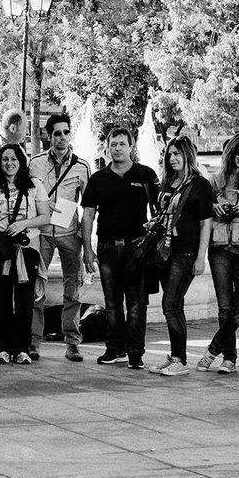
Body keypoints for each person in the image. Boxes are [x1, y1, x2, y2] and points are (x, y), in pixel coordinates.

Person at [82, 128, 159, 370]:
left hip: (136, 249)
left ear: (131, 146)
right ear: (107, 147)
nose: (117, 148)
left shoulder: (145, 175)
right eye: (113, 144)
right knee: (112, 303)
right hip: (106, 249)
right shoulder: (98, 179)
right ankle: (115, 348)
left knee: (137, 304)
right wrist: (87, 249)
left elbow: (161, 211)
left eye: (122, 144)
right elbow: (88, 216)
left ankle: (135, 352)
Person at [144, 136, 213, 376]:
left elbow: (206, 223)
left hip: (185, 251)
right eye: (169, 154)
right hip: (164, 250)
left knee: (170, 304)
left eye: (177, 154)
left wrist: (200, 257)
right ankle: (175, 356)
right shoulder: (169, 181)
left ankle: (180, 360)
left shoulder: (200, 185)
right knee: (175, 304)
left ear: (187, 155)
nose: (172, 158)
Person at [195, 133, 239, 375]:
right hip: (220, 250)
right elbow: (200, 210)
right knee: (224, 307)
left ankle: (212, 350)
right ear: (230, 152)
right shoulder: (214, 180)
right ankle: (229, 358)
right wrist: (215, 207)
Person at [29, 113, 90, 362]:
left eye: (66, 132)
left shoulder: (81, 166)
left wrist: (86, 242)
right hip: (42, 234)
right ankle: (33, 342)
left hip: (68, 234)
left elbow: (88, 208)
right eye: (57, 133)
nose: (62, 138)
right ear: (48, 135)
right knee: (35, 288)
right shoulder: (35, 163)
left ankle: (72, 342)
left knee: (73, 288)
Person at [0, 143, 51, 364]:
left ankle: (22, 347)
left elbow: (45, 217)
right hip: (2, 249)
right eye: (5, 159)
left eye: (14, 159)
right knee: (1, 298)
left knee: (24, 299)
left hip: (27, 247)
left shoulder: (35, 186)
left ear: (22, 161)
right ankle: (4, 347)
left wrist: (23, 224)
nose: (10, 163)